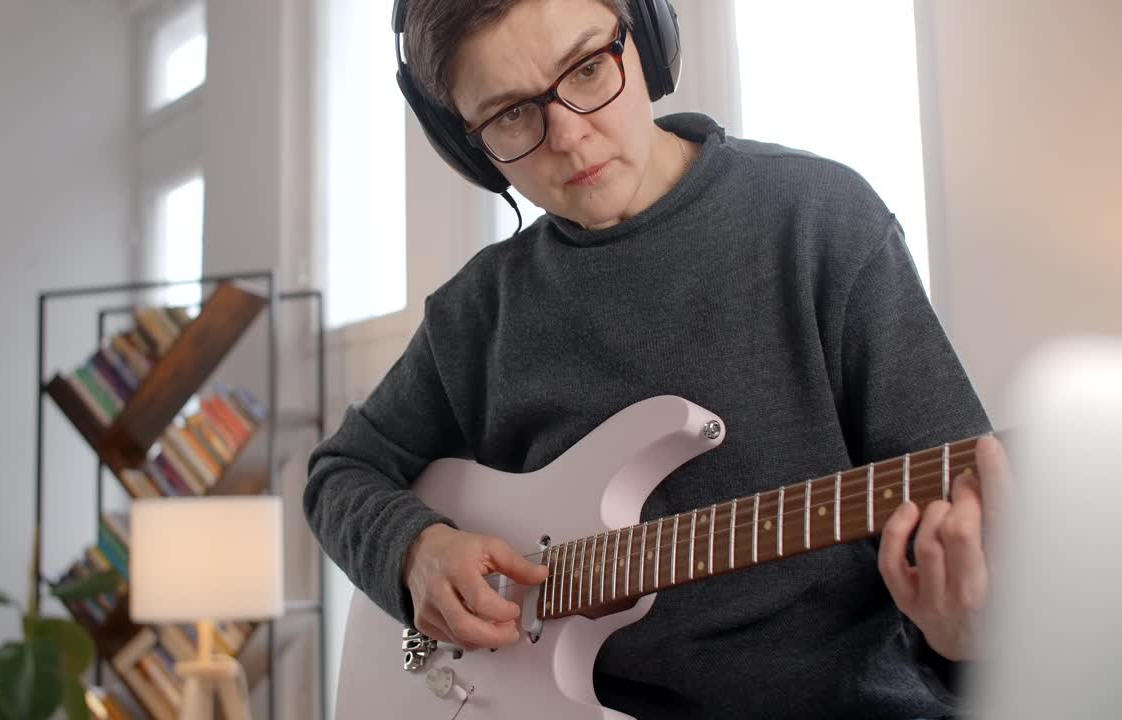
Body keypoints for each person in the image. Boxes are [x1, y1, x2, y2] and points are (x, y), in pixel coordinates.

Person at [304, 0, 1010, 717]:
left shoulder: (822, 221)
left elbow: (976, 547)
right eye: (511, 114)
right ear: (467, 146)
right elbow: (340, 471)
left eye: (586, 68)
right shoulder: (476, 314)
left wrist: (963, 641)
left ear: (645, 36)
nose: (569, 136)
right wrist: (416, 552)